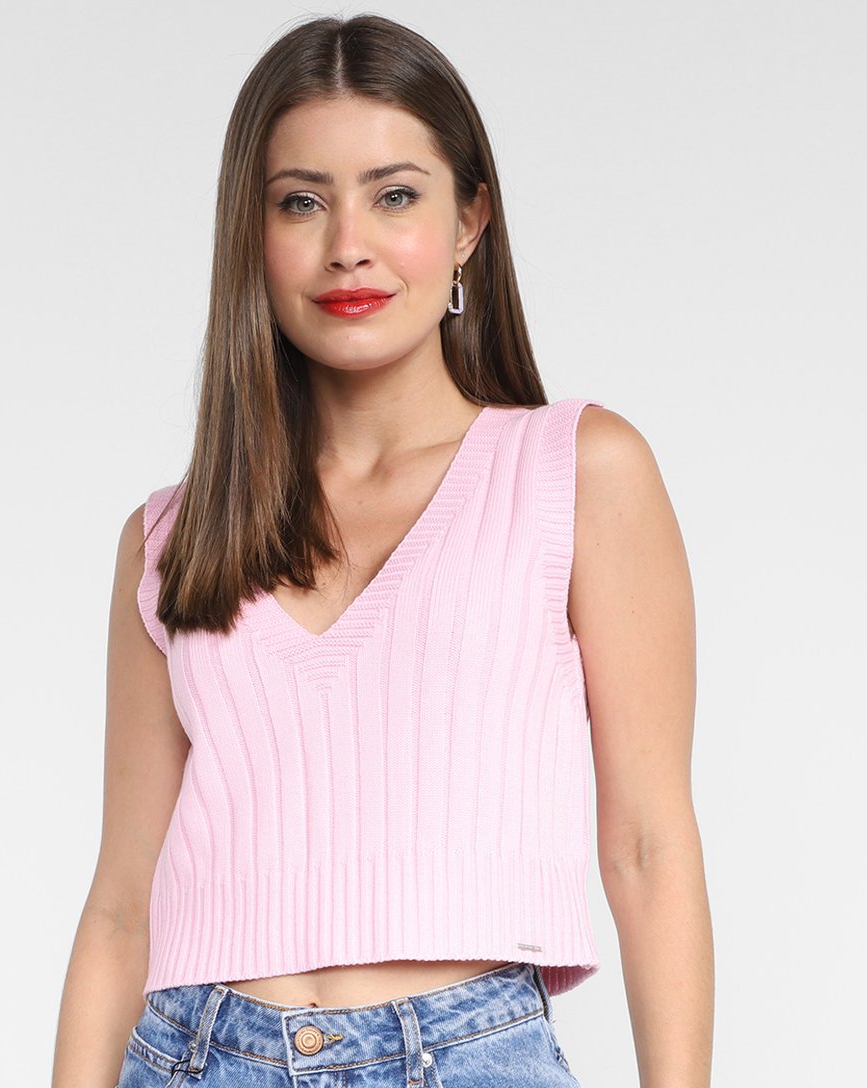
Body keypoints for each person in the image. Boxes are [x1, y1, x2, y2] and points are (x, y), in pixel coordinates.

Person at [51, 13, 713, 1088]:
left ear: (469, 222)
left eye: (394, 195)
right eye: (300, 201)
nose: (346, 244)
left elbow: (646, 842)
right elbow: (123, 904)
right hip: (195, 1055)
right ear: (251, 233)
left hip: (470, 1055)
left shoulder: (576, 471)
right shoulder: (173, 537)